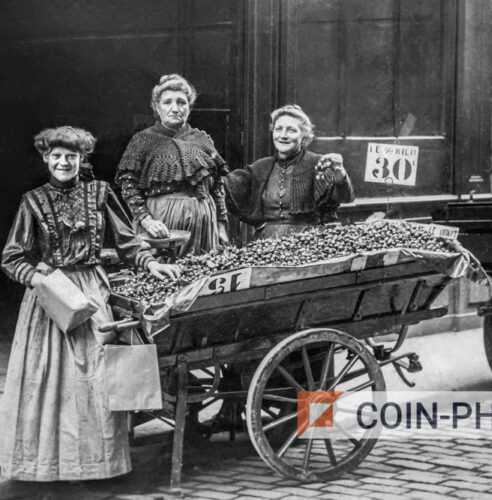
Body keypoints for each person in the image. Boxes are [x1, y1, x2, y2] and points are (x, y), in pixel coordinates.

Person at [0, 126, 180, 481]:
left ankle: (98, 467)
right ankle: (47, 468)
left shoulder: (100, 193)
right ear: (46, 158)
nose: (64, 162)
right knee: (47, 378)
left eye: (71, 156)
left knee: (98, 374)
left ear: (82, 159)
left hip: (92, 291)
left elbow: (128, 241)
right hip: (50, 297)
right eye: (57, 156)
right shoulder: (32, 201)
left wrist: (150, 262)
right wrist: (37, 278)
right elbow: (11, 257)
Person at [115, 74, 229, 256]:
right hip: (161, 223)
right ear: (157, 107)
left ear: (189, 107)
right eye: (168, 102)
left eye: (181, 102)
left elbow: (217, 187)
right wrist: (146, 221)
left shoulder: (202, 140)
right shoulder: (142, 140)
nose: (175, 108)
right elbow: (129, 186)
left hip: (204, 225)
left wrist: (221, 226)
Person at [224, 104, 355, 239]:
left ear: (304, 136)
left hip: (307, 242)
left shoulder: (318, 163)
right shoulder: (260, 167)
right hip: (264, 243)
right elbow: (224, 186)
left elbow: (345, 198)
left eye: (291, 130)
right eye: (278, 129)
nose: (283, 135)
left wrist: (340, 177)